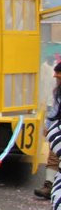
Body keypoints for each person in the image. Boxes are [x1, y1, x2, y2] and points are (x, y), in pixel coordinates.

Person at [35, 62, 61, 199]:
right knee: (53, 155)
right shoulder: (58, 92)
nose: (57, 80)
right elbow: (55, 110)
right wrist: (48, 125)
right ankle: (49, 185)